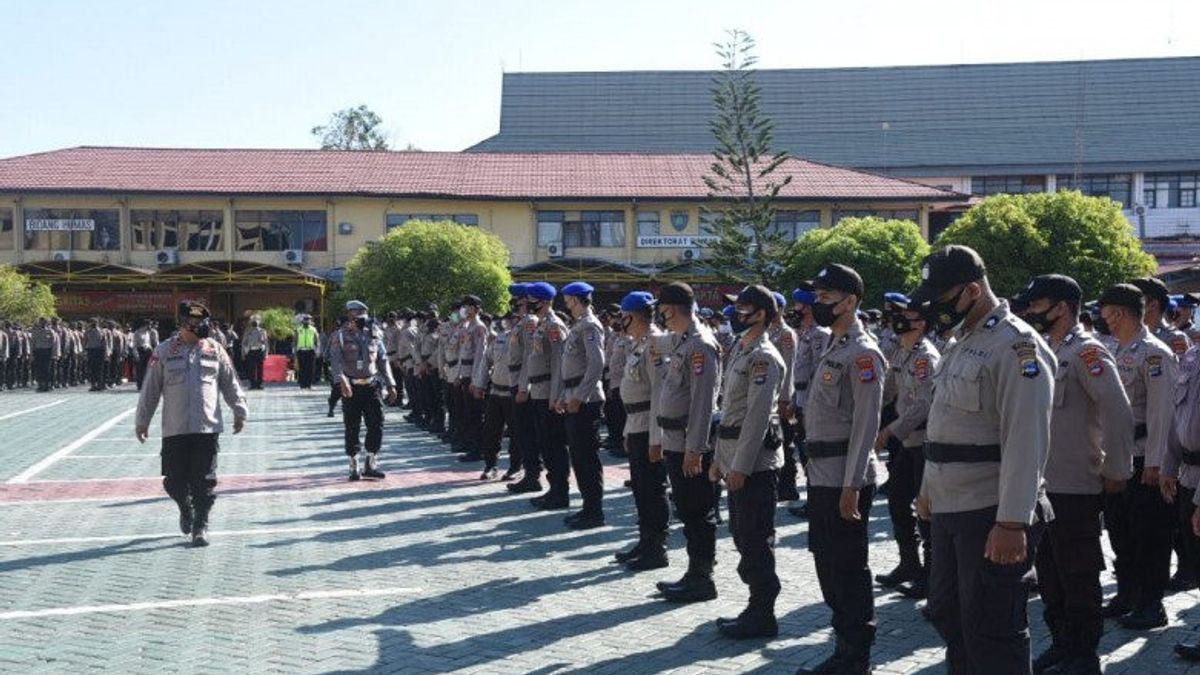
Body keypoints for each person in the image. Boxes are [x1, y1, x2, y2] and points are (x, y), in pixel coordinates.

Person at [909, 245, 1054, 674]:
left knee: (992, 629)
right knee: (948, 613)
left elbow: (1027, 439)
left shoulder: (1016, 346)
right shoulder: (962, 342)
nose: (935, 308)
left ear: (973, 290)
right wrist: (927, 491)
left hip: (990, 510)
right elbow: (944, 425)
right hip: (952, 505)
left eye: (941, 298)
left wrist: (1012, 522)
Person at [1016, 275, 1134, 674]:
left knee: (1079, 575)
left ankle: (1084, 653)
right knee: (1049, 575)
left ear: (1062, 308)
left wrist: (1117, 469)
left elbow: (1117, 411)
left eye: (1036, 305)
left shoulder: (1086, 352)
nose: (1030, 313)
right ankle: (1062, 644)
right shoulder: (1045, 350)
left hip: (1076, 487)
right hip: (1043, 486)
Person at [795, 265, 886, 673]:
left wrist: (852, 485)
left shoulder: (863, 353)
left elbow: (867, 426)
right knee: (827, 563)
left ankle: (856, 655)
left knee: (848, 567)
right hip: (821, 474)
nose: (819, 304)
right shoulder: (832, 347)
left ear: (850, 301)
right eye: (818, 296)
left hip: (845, 479)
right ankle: (843, 645)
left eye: (828, 297)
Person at [1096, 283, 1178, 630]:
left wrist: (1157, 462)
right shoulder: (1111, 348)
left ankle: (1151, 604)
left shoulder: (1154, 353)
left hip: (1145, 456)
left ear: (1124, 313)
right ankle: (1127, 593)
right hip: (1116, 456)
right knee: (1119, 529)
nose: (1106, 322)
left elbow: (1162, 412)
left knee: (1150, 534)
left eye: (1109, 315)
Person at [135, 302, 248, 547]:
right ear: (183, 323)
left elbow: (230, 381)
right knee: (174, 482)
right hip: (175, 428)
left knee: (204, 481)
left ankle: (201, 525)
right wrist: (142, 420)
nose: (201, 326)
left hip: (206, 427)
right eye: (195, 322)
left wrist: (240, 409)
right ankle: (185, 508)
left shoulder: (214, 349)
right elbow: (150, 388)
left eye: (202, 321)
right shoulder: (164, 351)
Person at [710, 284, 786, 639]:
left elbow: (756, 418)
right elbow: (729, 412)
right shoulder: (741, 350)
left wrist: (738, 466)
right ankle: (756, 603)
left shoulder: (764, 357)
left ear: (760, 315)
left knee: (755, 537)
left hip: (754, 464)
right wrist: (720, 461)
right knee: (741, 535)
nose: (734, 316)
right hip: (734, 456)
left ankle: (763, 610)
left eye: (742, 310)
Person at [653, 282, 721, 604]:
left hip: (689, 444)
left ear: (674, 309)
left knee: (698, 511)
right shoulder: (682, 341)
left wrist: (695, 448)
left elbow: (702, 402)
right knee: (688, 510)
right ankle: (694, 572)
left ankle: (702, 578)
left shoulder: (700, 345)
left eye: (663, 311)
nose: (661, 317)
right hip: (675, 441)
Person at [874, 294, 940, 600]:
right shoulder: (902, 352)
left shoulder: (926, 357)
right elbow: (889, 390)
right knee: (898, 501)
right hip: (907, 442)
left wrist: (891, 430)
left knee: (926, 511)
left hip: (924, 442)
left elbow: (924, 404)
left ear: (922, 323)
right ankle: (909, 564)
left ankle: (930, 575)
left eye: (908, 316)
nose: (900, 321)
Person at [614, 291, 670, 570]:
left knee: (652, 489)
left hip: (648, 426)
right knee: (640, 489)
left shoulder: (655, 345)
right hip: (635, 424)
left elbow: (660, 392)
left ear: (632, 316)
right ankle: (645, 540)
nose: (620, 321)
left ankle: (656, 548)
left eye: (623, 316)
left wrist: (656, 438)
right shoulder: (639, 344)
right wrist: (627, 430)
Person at [556, 281, 608, 529]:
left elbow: (596, 364)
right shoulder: (578, 325)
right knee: (578, 456)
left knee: (587, 457)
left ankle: (594, 511)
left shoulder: (589, 325)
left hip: (585, 401)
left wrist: (579, 397)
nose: (565, 304)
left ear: (576, 300)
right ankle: (588, 506)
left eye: (567, 300)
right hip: (573, 396)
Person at [327, 300, 397, 481]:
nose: (360, 316)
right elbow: (335, 361)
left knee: (376, 424)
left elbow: (382, 360)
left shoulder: (374, 335)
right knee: (352, 426)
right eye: (356, 312)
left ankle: (371, 462)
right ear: (349, 314)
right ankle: (354, 464)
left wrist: (391, 384)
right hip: (351, 387)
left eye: (362, 313)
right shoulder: (340, 336)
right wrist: (340, 379)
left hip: (372, 385)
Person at [516, 283, 571, 508]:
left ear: (545, 301)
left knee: (554, 444)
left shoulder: (554, 326)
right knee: (545, 444)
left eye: (533, 300)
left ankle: (561, 492)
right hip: (538, 391)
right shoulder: (541, 325)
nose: (528, 303)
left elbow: (560, 363)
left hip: (548, 391)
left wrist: (556, 394)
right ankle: (553, 489)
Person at [786, 282, 830, 519]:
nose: (796, 308)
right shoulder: (806, 333)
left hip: (812, 403)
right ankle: (813, 498)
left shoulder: (820, 334)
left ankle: (817, 501)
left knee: (811, 454)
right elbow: (799, 372)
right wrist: (794, 399)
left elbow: (818, 374)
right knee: (804, 453)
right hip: (802, 399)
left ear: (809, 307)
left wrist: (809, 405)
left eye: (799, 304)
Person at [767, 291, 798, 503]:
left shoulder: (786, 334)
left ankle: (788, 486)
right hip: (770, 396)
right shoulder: (770, 332)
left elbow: (789, 368)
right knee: (774, 441)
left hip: (781, 398)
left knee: (786, 442)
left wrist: (785, 399)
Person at [242, 319, 268, 390]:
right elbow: (244, 342)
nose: (255, 323)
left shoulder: (262, 331)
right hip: (251, 351)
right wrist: (243, 353)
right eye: (253, 323)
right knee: (251, 368)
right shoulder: (248, 332)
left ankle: (259, 384)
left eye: (256, 322)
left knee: (260, 368)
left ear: (258, 324)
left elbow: (266, 343)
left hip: (259, 351)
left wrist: (266, 353)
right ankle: (252, 384)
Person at [295, 316, 319, 389]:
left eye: (308, 320)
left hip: (310, 350)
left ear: (310, 321)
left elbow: (316, 340)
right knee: (302, 368)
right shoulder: (298, 329)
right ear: (303, 321)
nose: (307, 321)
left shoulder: (313, 329)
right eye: (305, 320)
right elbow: (295, 339)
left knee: (310, 368)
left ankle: (309, 384)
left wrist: (317, 350)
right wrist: (294, 349)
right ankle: (302, 384)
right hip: (301, 350)